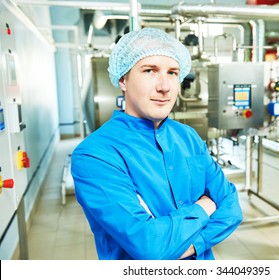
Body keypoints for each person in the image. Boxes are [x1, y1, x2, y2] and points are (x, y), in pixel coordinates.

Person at [71, 27, 242, 260]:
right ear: (123, 78)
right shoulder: (95, 154)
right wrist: (204, 207)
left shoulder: (188, 137)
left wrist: (186, 246)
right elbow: (149, 246)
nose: (164, 87)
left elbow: (232, 209)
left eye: (172, 72)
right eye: (150, 70)